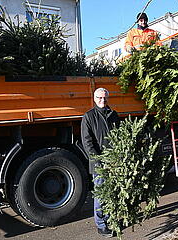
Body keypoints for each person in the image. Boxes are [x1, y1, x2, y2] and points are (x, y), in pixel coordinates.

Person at [81, 88, 120, 237]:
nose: (102, 101)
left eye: (104, 98)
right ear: (94, 98)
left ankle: (111, 220)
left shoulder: (114, 115)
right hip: (99, 165)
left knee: (112, 193)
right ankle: (101, 225)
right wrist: (98, 161)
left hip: (113, 162)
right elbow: (87, 142)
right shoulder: (89, 117)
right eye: (99, 98)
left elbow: (119, 137)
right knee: (101, 195)